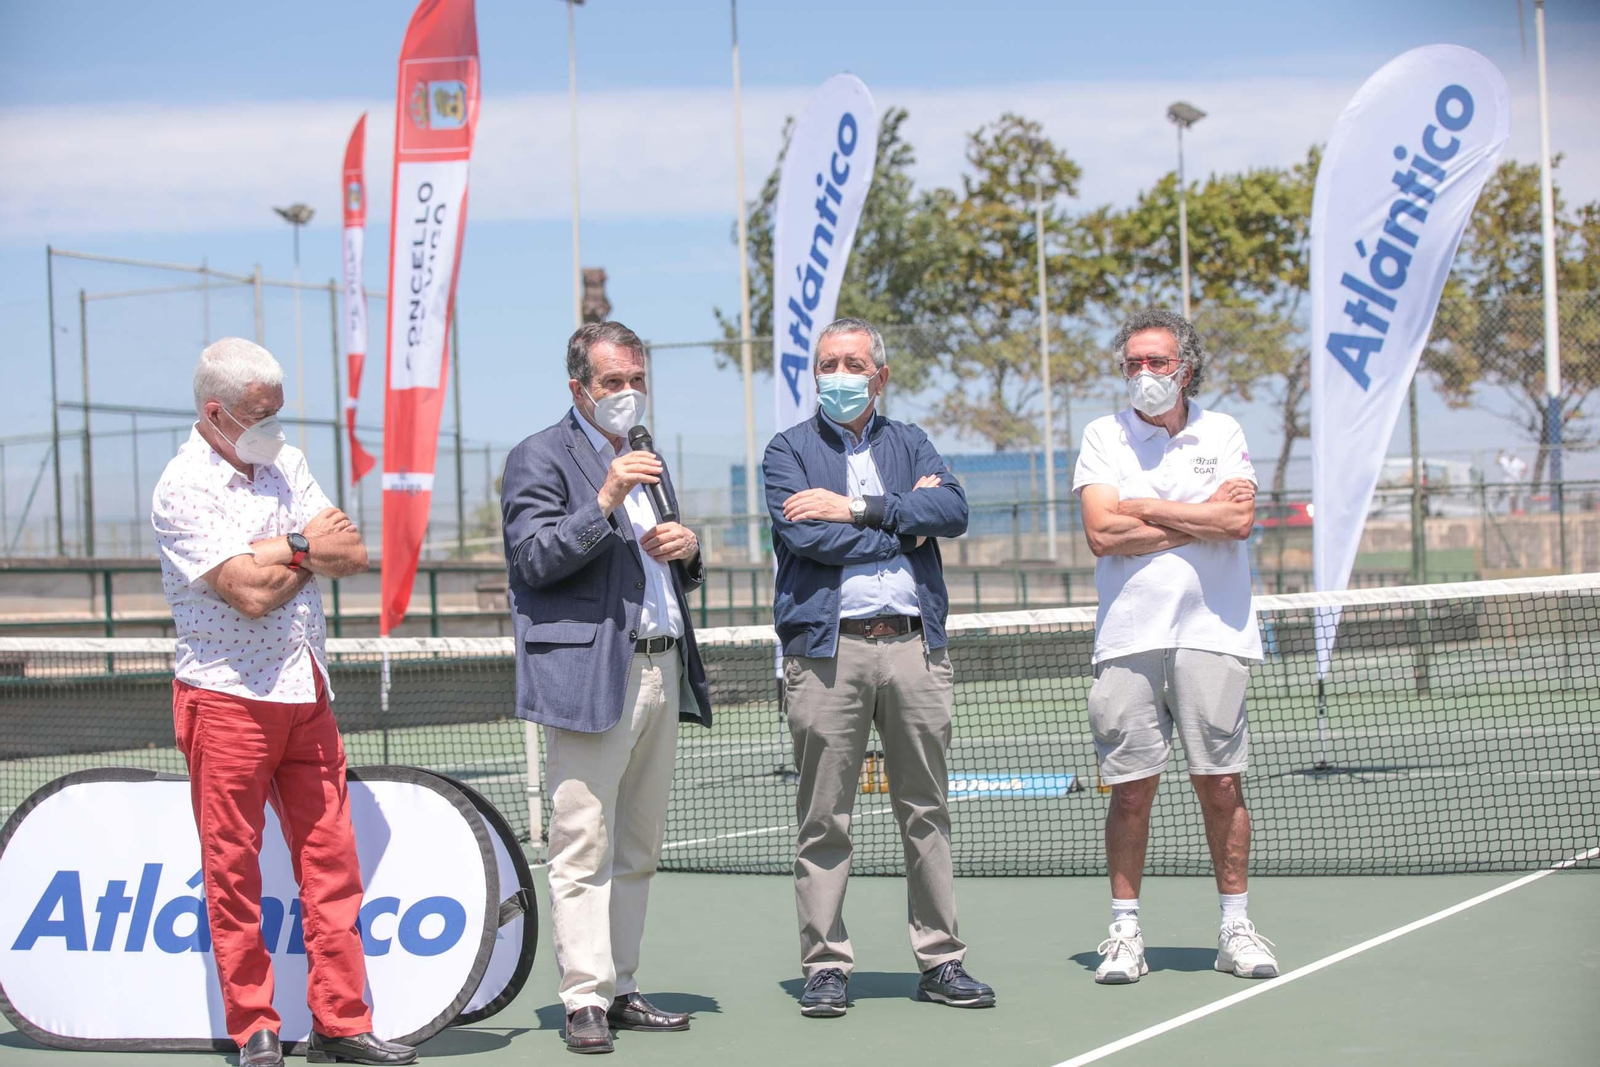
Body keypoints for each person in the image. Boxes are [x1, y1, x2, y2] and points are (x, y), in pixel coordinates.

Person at [150, 339, 415, 1067]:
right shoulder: (182, 487)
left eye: (278, 410)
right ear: (215, 412)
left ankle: (340, 1021)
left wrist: (274, 548)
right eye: (260, 414)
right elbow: (249, 593)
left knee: (332, 865)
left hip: (308, 691)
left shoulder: (287, 463)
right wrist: (303, 544)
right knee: (231, 870)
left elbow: (353, 554)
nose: (275, 426)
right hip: (225, 696)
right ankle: (254, 1029)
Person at [763, 317, 994, 1018]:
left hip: (915, 646)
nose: (839, 374)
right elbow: (806, 535)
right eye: (828, 363)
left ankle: (941, 959)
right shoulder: (788, 450)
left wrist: (859, 508)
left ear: (879, 374)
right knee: (823, 816)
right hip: (827, 653)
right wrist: (901, 526)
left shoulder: (911, 441)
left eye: (852, 363)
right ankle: (826, 965)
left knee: (925, 809)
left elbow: (951, 509)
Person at [500, 321, 711, 1055]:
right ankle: (583, 998)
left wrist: (688, 550)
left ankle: (621, 986)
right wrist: (606, 499)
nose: (627, 394)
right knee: (581, 842)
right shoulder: (539, 455)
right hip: (592, 674)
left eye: (635, 380)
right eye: (612, 382)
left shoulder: (644, 454)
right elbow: (532, 558)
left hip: (662, 661)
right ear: (577, 389)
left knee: (638, 844)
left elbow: (663, 560)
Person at [1072, 308, 1278, 986]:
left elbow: (1239, 519)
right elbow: (1102, 534)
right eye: (1132, 362)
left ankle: (1235, 927)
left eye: (1156, 361)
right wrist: (1198, 517)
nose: (1143, 373)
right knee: (1130, 791)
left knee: (1220, 782)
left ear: (1186, 366)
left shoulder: (1224, 431)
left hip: (1212, 633)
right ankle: (1126, 933)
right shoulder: (1103, 435)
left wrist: (1148, 507)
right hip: (1128, 638)